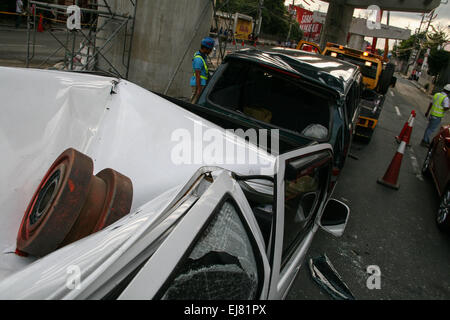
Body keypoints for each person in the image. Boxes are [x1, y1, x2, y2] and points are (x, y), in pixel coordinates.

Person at [190, 37, 214, 104]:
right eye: (210, 49)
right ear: (205, 48)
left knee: (197, 102)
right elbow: (198, 75)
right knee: (194, 102)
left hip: (201, 83)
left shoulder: (203, 57)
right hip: (198, 84)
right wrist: (199, 89)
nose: (211, 51)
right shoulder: (198, 59)